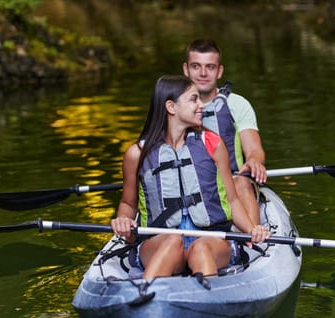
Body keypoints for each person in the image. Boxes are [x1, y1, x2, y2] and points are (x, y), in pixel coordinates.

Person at [110, 75, 269, 281]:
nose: (202, 105)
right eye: (194, 99)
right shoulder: (136, 154)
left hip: (210, 239)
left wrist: (251, 229)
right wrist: (124, 220)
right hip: (159, 241)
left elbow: (232, 200)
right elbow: (127, 204)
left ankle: (208, 302)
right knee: (172, 242)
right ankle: (146, 299)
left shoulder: (213, 144)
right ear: (171, 107)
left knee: (200, 248)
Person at [182, 39, 266, 225]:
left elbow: (254, 150)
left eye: (210, 67)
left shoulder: (237, 104)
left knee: (241, 183)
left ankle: (253, 238)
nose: (203, 73)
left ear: (219, 71)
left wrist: (254, 161)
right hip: (190, 184)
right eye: (196, 66)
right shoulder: (173, 106)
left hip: (234, 179)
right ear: (186, 69)